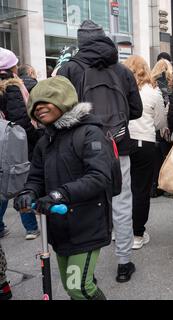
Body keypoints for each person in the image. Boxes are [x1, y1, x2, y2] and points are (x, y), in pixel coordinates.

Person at [57, 20, 143, 283]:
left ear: (80, 41)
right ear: (104, 39)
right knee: (122, 202)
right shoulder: (122, 70)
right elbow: (136, 110)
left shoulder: (68, 69)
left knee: (81, 202)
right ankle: (124, 263)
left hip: (79, 147)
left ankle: (86, 270)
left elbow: (60, 110)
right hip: (118, 145)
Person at [14, 76, 112, 300]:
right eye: (35, 106)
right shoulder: (45, 140)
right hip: (58, 227)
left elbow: (99, 177)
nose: (39, 109)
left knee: (80, 287)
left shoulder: (90, 133)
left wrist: (59, 195)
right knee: (71, 285)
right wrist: (28, 192)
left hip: (86, 224)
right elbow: (36, 176)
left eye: (45, 103)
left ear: (63, 101)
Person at [122, 55, 165, 250]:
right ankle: (138, 233)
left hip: (122, 141)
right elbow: (160, 121)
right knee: (140, 190)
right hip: (144, 142)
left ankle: (119, 231)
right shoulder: (153, 92)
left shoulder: (120, 89)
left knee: (121, 189)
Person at [0, 47, 40, 240]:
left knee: (2, 181)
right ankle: (31, 227)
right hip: (14, 143)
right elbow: (20, 120)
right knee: (20, 180)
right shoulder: (12, 86)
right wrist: (36, 136)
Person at [151, 57, 173, 198]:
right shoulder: (169, 84)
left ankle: (156, 186)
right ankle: (168, 186)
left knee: (157, 158)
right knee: (168, 156)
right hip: (166, 126)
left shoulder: (152, 84)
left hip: (154, 126)